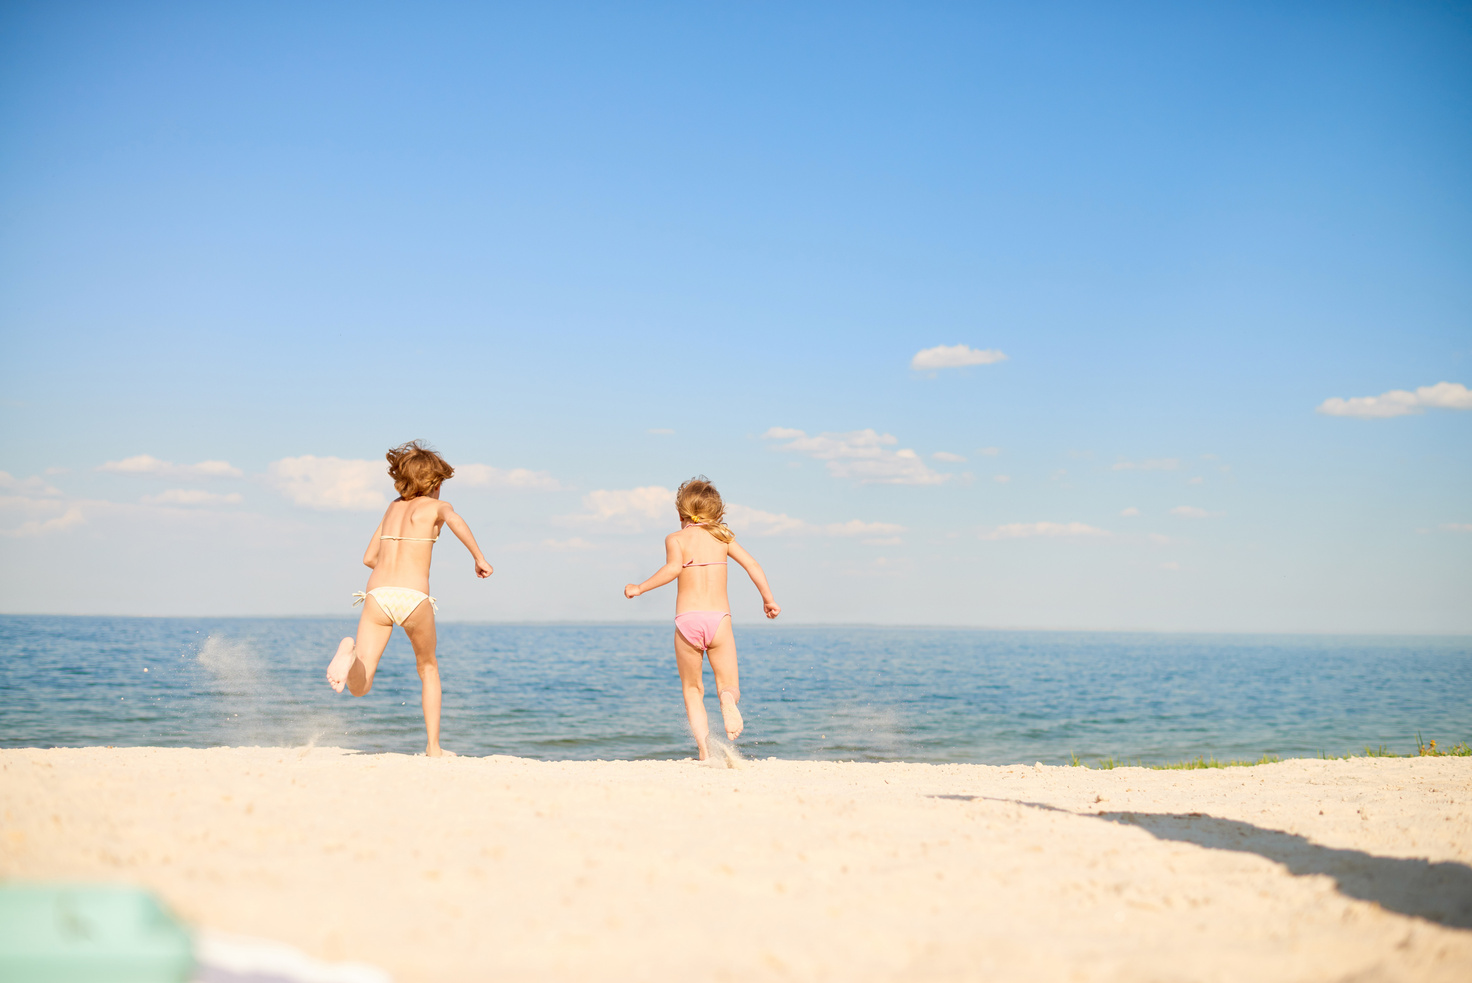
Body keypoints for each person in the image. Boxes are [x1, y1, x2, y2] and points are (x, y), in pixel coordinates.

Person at [325, 441, 492, 756]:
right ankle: (433, 747)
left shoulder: (391, 508)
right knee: (428, 667)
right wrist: (478, 558)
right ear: (435, 483)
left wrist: (392, 564)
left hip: (377, 594)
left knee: (360, 687)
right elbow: (455, 520)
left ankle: (350, 652)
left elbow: (368, 558)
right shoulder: (438, 508)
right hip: (413, 597)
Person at [624, 476, 780, 760]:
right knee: (728, 684)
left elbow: (672, 569)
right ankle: (727, 700)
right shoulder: (723, 537)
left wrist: (640, 587)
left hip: (687, 621)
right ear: (718, 514)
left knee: (693, 689)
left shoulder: (676, 538)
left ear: (681, 514)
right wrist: (768, 599)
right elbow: (752, 565)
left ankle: (705, 752)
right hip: (718, 619)